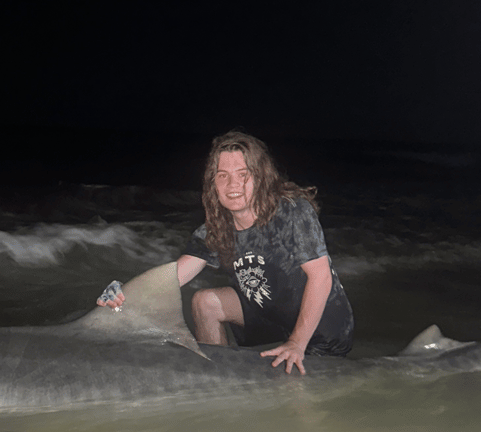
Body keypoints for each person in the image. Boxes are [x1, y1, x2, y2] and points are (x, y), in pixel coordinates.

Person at [99, 130, 353, 374]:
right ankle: (220, 376)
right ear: (213, 185)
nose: (233, 184)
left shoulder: (292, 213)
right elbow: (173, 276)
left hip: (322, 335)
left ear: (261, 177)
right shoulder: (215, 230)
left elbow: (321, 277)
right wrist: (123, 295)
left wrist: (297, 343)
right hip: (271, 322)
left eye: (244, 174)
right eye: (223, 175)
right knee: (204, 302)